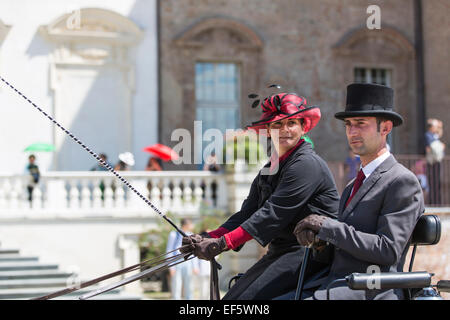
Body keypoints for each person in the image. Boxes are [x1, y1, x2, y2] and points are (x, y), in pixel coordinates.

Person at [182, 92, 340, 300]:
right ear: (268, 130)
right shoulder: (270, 169)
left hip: (310, 253)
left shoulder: (306, 164)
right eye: (277, 124)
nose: (284, 130)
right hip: (282, 251)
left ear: (303, 127)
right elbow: (247, 213)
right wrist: (210, 237)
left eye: (291, 123)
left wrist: (221, 244)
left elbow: (271, 214)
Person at [293, 83, 424, 300]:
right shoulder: (353, 185)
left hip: (373, 288)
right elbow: (344, 246)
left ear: (386, 128)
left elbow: (388, 250)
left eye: (361, 124)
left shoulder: (401, 182)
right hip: (336, 282)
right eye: (348, 124)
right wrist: (319, 241)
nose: (352, 132)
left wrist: (329, 227)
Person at [166, 218, 198, 300]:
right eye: (190, 224)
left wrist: (195, 266)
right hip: (177, 262)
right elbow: (169, 250)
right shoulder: (174, 234)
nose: (191, 226)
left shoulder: (191, 235)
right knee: (177, 284)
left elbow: (193, 250)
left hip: (188, 262)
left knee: (189, 285)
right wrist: (171, 266)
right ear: (185, 225)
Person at [425, 118, 445, 204]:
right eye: (435, 126)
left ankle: (437, 201)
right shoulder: (428, 135)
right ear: (431, 127)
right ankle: (433, 202)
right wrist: (441, 146)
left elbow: (440, 133)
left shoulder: (434, 135)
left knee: (437, 182)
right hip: (431, 162)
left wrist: (440, 126)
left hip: (437, 161)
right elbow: (432, 147)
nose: (436, 128)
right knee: (432, 182)